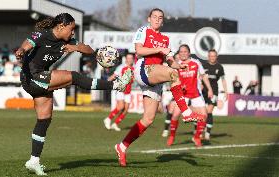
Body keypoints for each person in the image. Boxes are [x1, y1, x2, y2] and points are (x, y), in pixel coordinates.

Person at [15, 13, 132, 175]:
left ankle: (34, 160)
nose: (73, 33)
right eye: (71, 29)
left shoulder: (67, 41)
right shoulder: (43, 35)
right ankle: (116, 85)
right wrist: (21, 51)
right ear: (61, 26)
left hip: (39, 79)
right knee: (74, 77)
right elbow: (27, 44)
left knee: (44, 119)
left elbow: (90, 50)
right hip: (32, 77)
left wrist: (75, 47)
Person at [114, 8, 205, 167]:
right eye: (154, 17)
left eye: (160, 18)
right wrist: (159, 51)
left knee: (148, 119)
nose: (157, 19)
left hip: (155, 76)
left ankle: (122, 146)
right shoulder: (144, 30)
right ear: (149, 19)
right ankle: (186, 111)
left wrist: (178, 66)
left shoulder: (165, 39)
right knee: (172, 75)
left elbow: (170, 61)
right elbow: (139, 50)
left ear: (162, 21)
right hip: (144, 69)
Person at [166, 44, 213, 147]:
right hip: (183, 95)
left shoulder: (196, 63)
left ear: (189, 52)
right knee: (175, 115)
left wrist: (209, 89)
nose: (183, 53)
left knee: (204, 116)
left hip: (196, 94)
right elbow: (173, 79)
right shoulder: (176, 64)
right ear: (179, 53)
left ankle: (196, 137)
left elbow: (203, 76)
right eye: (181, 52)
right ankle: (172, 136)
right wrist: (178, 86)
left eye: (185, 51)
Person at [103, 53, 135, 131]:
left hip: (128, 90)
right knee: (120, 106)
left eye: (131, 58)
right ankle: (108, 119)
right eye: (128, 58)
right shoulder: (121, 67)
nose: (130, 59)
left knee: (126, 109)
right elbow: (114, 76)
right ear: (126, 59)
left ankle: (115, 124)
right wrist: (105, 83)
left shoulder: (134, 68)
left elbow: (133, 79)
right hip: (121, 89)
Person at [202, 49, 227, 141]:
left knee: (209, 111)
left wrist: (226, 91)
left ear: (216, 57)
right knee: (202, 112)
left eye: (214, 56)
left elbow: (223, 80)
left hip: (214, 91)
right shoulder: (203, 66)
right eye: (210, 56)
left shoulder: (219, 67)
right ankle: (200, 130)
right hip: (203, 91)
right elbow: (199, 77)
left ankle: (207, 133)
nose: (212, 57)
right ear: (208, 57)